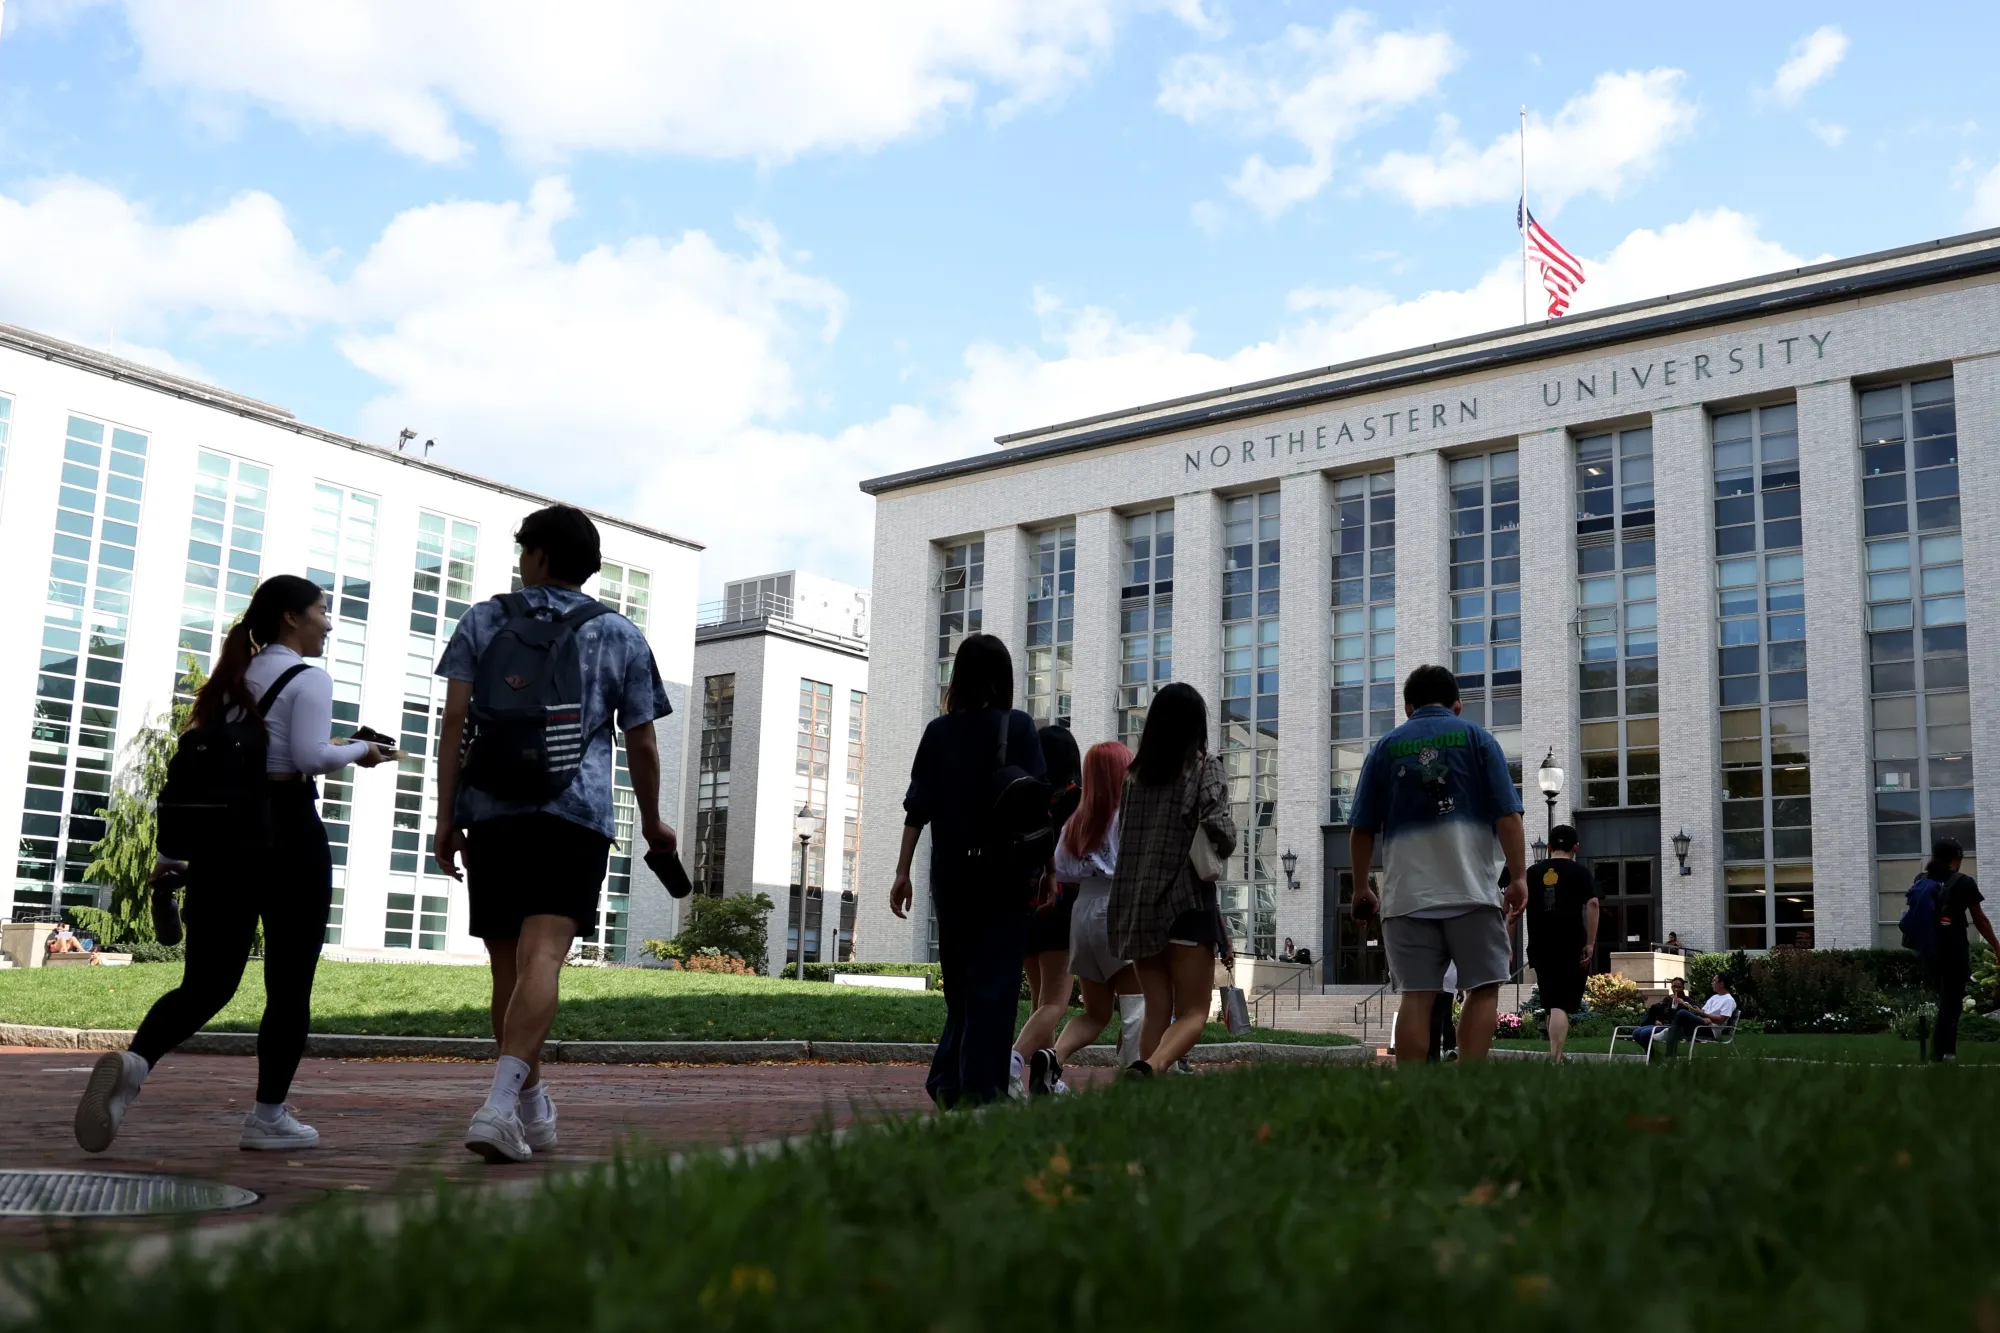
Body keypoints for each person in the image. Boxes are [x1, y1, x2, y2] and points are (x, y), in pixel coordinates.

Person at [74, 575, 393, 1154]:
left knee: (207, 983)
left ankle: (136, 1064)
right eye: (323, 611)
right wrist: (363, 751)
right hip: (289, 834)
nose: (329, 622)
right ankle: (268, 1118)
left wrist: (172, 857)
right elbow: (308, 757)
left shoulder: (226, 683)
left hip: (223, 841)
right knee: (289, 984)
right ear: (292, 618)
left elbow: (202, 774)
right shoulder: (308, 678)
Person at [434, 505, 677, 1163]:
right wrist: (652, 820)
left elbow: (454, 721)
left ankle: (528, 1105)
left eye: (524, 549)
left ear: (538, 554)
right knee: (543, 959)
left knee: (507, 967)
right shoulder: (619, 634)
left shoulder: (484, 620)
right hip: (573, 814)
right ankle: (500, 1104)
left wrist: (444, 814)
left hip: (490, 812)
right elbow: (645, 741)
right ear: (589, 566)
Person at [892, 633, 1046, 1108]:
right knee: (995, 984)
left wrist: (902, 873)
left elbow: (917, 809)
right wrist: (1049, 870)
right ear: (1005, 677)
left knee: (961, 985)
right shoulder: (1018, 727)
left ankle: (948, 1082)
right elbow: (1040, 806)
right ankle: (980, 1092)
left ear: (958, 677)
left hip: (951, 874)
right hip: (1006, 875)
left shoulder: (939, 733)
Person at [1348, 665, 1527, 1067]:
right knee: (1482, 988)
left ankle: (1414, 1092)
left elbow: (1361, 828)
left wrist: (1361, 887)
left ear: (1408, 707)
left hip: (1407, 896)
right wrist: (1518, 877)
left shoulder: (1384, 747)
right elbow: (1508, 816)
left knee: (1417, 995)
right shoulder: (1479, 739)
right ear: (1458, 705)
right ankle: (1468, 1080)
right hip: (1472, 891)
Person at [1107, 681, 1237, 1079]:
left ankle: (1148, 1089)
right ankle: (1153, 1067)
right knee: (1195, 1011)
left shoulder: (1134, 777)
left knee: (1156, 1011)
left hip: (1138, 908)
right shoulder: (1203, 766)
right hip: (1186, 904)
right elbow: (1221, 831)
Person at [1032, 741, 1138, 1089]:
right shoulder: (1128, 817)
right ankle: (1136, 1080)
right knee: (1138, 1006)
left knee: (1096, 1013)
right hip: (1118, 909)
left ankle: (1053, 1056)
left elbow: (1062, 870)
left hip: (1082, 914)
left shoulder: (1077, 822)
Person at [1012, 725, 1082, 1098]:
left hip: (1028, 904)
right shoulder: (1077, 799)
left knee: (1041, 1002)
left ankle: (1047, 1079)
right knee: (1056, 1001)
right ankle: (1012, 1063)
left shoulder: (1028, 796)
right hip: (1062, 902)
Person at [1523, 824, 1598, 1062]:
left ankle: (1556, 1054)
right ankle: (1556, 1058)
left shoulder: (1532, 872)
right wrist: (1590, 943)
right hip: (1570, 943)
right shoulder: (1580, 872)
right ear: (1576, 847)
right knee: (1560, 1004)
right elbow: (1593, 904)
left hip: (1540, 944)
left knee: (1550, 1000)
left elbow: (1516, 905)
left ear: (1549, 847)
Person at [1919, 837, 1996, 1063]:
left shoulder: (1921, 880)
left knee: (1945, 1000)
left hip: (1929, 951)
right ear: (1955, 859)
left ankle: (1940, 1050)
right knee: (1952, 1003)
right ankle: (1944, 1052)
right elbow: (1980, 920)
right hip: (1953, 950)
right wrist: (1997, 946)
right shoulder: (1964, 882)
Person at [1661, 972, 1737, 1056]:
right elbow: (1702, 1012)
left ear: (1721, 984)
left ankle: (1668, 1042)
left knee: (1681, 1014)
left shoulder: (1729, 1000)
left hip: (1711, 1030)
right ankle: (1669, 1042)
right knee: (1679, 1019)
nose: (1712, 983)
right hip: (1703, 1024)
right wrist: (1687, 1005)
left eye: (1714, 981)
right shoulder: (1714, 997)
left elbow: (1721, 1020)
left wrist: (1706, 1016)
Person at [1629, 976, 1688, 1052]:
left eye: (1679, 987)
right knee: (1636, 1033)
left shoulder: (1688, 1000)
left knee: (1644, 1033)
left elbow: (1693, 1014)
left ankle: (1653, 1057)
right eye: (1674, 986)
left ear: (1683, 988)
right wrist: (1656, 1020)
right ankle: (1653, 1054)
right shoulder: (1668, 999)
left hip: (1677, 1028)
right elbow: (1658, 1011)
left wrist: (1684, 1004)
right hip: (1663, 1025)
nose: (1676, 989)